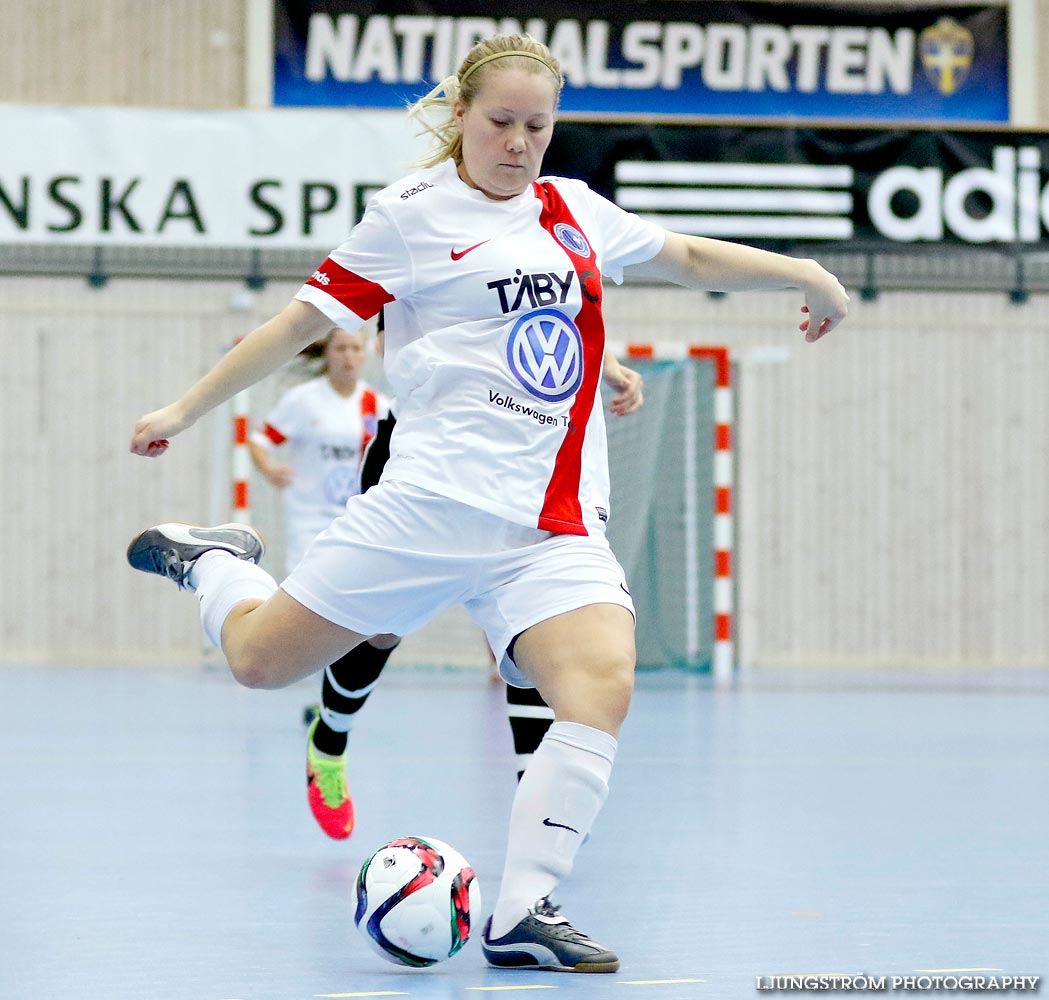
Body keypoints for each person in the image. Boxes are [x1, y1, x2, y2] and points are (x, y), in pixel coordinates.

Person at [127, 32, 849, 973]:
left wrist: (803, 272)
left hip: (549, 527)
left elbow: (677, 254)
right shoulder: (411, 215)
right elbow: (301, 323)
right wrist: (185, 408)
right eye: (500, 122)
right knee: (261, 665)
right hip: (428, 508)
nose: (517, 142)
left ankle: (523, 911)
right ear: (461, 117)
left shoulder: (574, 211)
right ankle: (215, 559)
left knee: (600, 683)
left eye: (536, 126)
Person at [296, 311, 646, 840]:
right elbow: (400, 344)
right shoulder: (425, 245)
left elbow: (562, 316)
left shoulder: (545, 239)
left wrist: (607, 362)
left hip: (527, 454)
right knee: (382, 627)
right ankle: (331, 737)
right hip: (423, 457)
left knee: (534, 614)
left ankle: (539, 802)